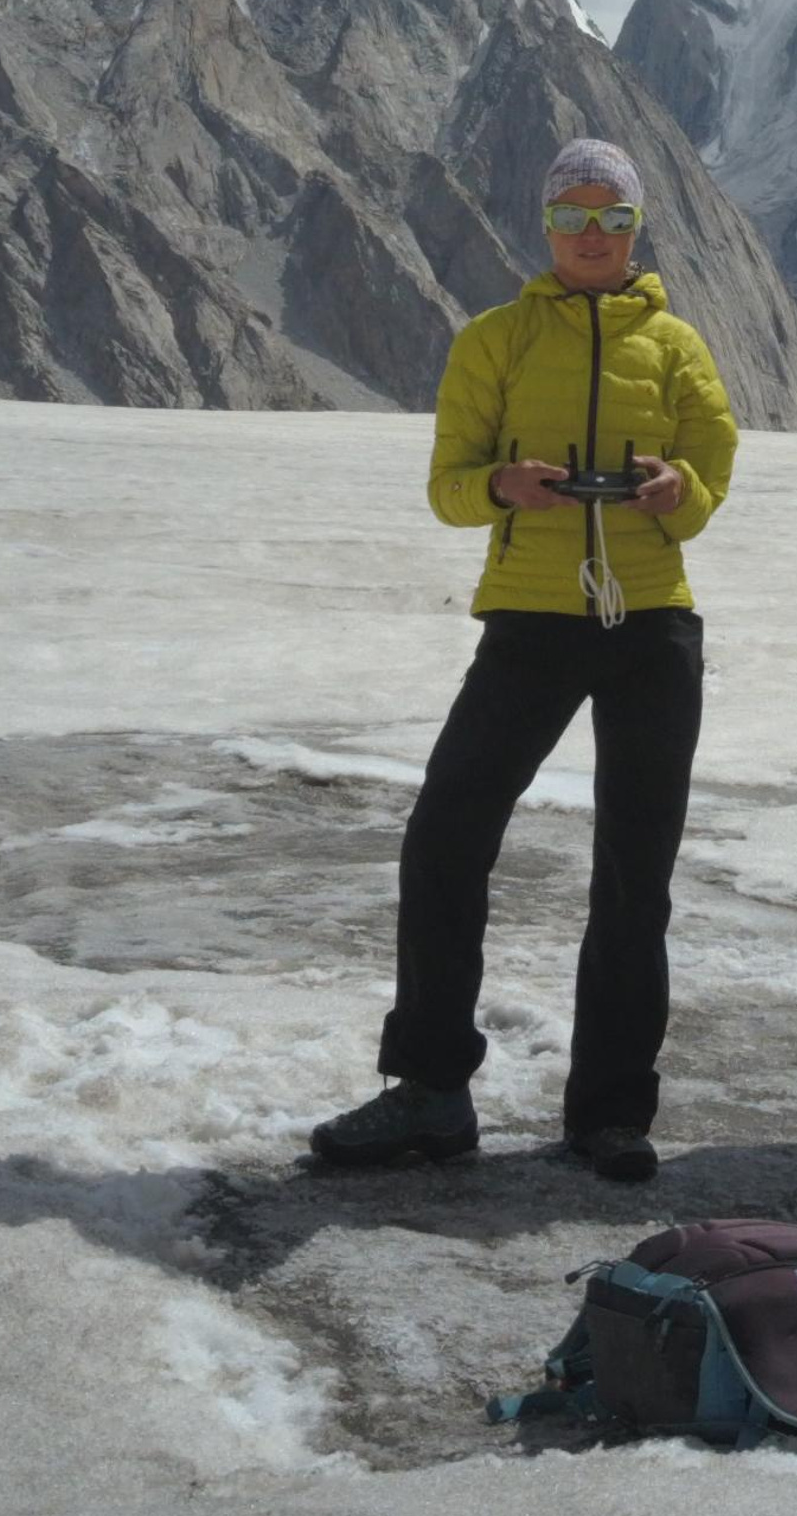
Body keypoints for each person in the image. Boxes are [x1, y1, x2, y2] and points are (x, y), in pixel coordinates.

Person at [310, 140, 738, 1184]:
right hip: (529, 617)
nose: (595, 234)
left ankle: (609, 1111)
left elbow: (711, 473)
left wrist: (675, 490)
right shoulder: (492, 340)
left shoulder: (678, 346)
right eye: (575, 214)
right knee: (446, 835)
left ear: (638, 230)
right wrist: (504, 486)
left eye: (616, 217)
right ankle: (431, 1087)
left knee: (637, 876)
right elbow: (448, 485)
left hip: (651, 625)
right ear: (544, 227)